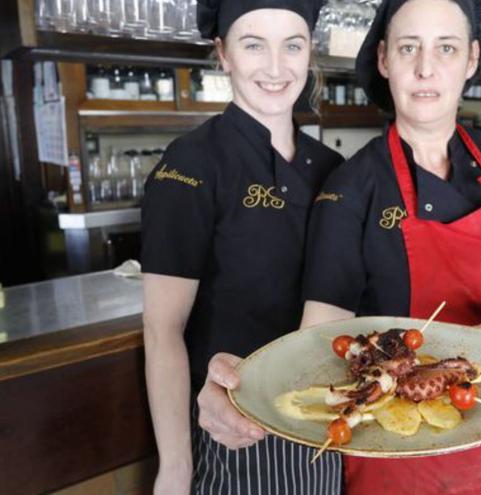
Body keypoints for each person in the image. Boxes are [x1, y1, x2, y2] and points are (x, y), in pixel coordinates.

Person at [299, 0, 481, 493]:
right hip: (390, 443)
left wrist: (447, 374)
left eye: (446, 47)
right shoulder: (349, 186)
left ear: (471, 59)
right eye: (408, 47)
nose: (425, 67)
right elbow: (321, 331)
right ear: (383, 59)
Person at [140, 1, 344, 493]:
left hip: (325, 423)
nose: (276, 68)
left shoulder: (333, 168)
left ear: (309, 51)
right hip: (236, 434)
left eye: (291, 45)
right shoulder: (191, 164)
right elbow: (161, 329)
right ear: (223, 53)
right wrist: (175, 469)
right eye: (253, 44)